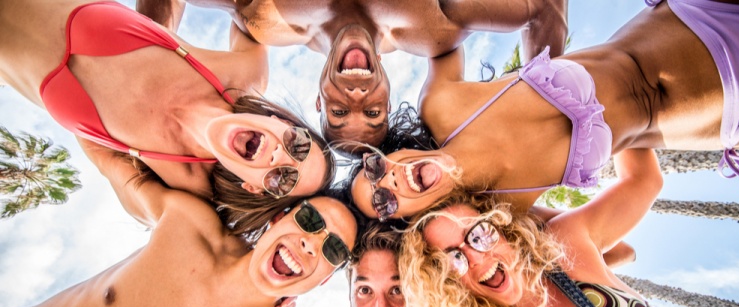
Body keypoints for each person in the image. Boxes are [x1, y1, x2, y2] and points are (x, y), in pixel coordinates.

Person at [0, 140, 357, 307]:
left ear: (325, 278)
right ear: (280, 218)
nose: (312, 242)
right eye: (310, 219)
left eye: (334, 248)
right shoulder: (189, 224)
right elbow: (106, 156)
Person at [384, 148, 739, 307]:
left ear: (501, 224)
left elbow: (643, 180)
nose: (476, 257)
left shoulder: (565, 248)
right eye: (453, 258)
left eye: (479, 233)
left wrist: (614, 93)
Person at [348, 0, 739, 220]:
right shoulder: (506, 210)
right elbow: (611, 244)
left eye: (375, 169)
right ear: (411, 221)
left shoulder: (443, 105)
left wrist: (544, 64)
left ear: (390, 152)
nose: (392, 181)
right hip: (731, 116)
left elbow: (434, 22)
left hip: (697, 17)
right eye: (384, 202)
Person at [0, 0, 335, 230]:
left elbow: (180, 235)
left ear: (253, 188)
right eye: (299, 145)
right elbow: (252, 9)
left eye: (283, 179)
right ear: (284, 123)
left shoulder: (181, 188)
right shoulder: (243, 75)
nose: (281, 155)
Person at [137, 0, 568, 151]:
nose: (357, 93)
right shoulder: (433, 27)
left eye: (340, 111)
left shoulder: (265, 15)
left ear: (320, 100)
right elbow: (542, 8)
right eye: (374, 110)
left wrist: (150, 60)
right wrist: (544, 103)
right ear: (388, 89)